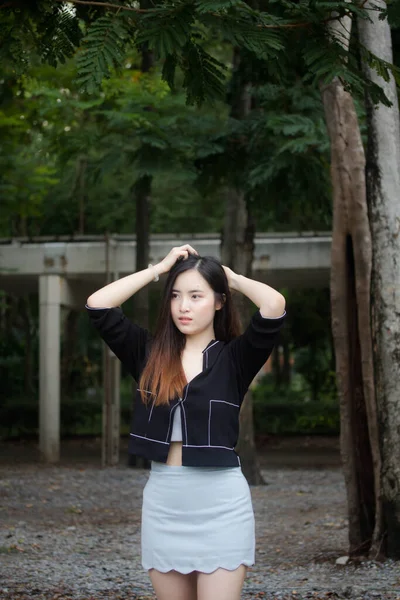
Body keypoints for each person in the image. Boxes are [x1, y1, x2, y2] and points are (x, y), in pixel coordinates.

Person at [86, 244, 286, 600]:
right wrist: (158, 269)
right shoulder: (149, 354)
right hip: (164, 503)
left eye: (196, 295)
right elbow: (99, 305)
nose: (184, 306)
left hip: (222, 505)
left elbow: (273, 306)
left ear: (219, 301)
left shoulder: (235, 358)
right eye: (176, 296)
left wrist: (233, 279)